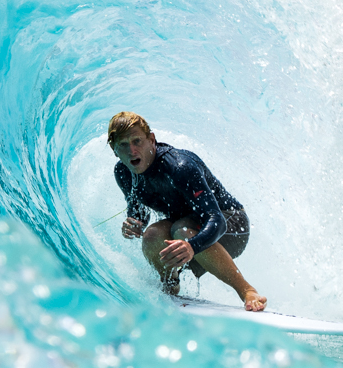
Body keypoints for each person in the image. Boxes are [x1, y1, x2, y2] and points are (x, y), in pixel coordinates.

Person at [109, 111, 267, 312]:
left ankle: (246, 290)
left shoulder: (180, 166)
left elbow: (216, 219)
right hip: (188, 227)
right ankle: (170, 286)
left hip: (231, 226)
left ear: (151, 140)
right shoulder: (123, 173)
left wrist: (192, 246)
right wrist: (134, 224)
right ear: (114, 150)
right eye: (123, 144)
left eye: (137, 141)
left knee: (182, 231)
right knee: (151, 236)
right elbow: (139, 211)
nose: (131, 150)